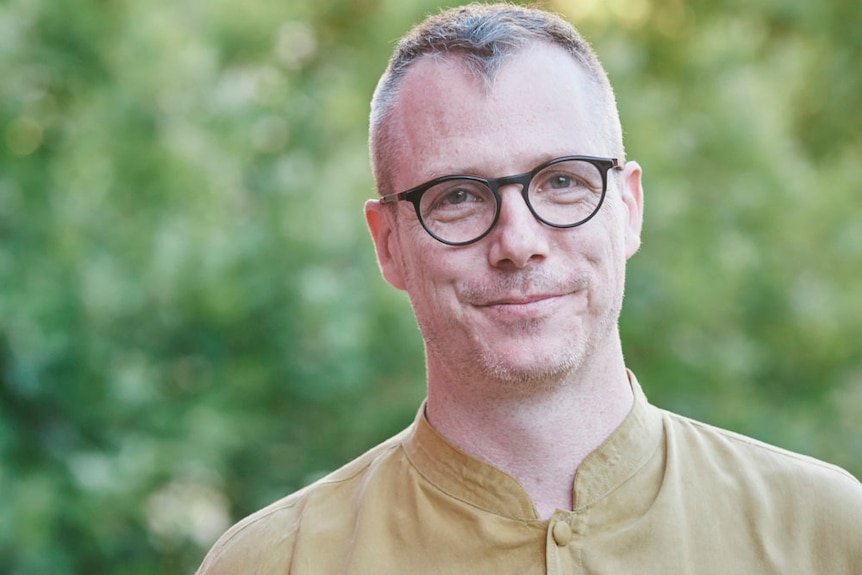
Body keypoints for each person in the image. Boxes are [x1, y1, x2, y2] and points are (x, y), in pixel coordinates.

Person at [196, 4, 862, 573]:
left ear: (628, 207)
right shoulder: (273, 563)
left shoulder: (826, 533)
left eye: (562, 181)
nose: (517, 241)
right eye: (457, 196)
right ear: (389, 243)